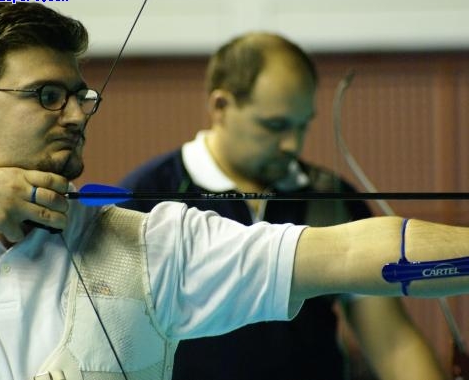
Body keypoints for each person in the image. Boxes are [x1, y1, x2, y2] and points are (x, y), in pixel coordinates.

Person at [0, 3, 467, 380]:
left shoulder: (148, 242)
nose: (78, 114)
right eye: (49, 96)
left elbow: (346, 253)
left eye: (82, 96)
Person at [118, 32, 445, 380]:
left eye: (302, 125)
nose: (293, 144)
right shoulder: (146, 198)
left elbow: (393, 344)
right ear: (220, 107)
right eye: (275, 126)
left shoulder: (331, 199)